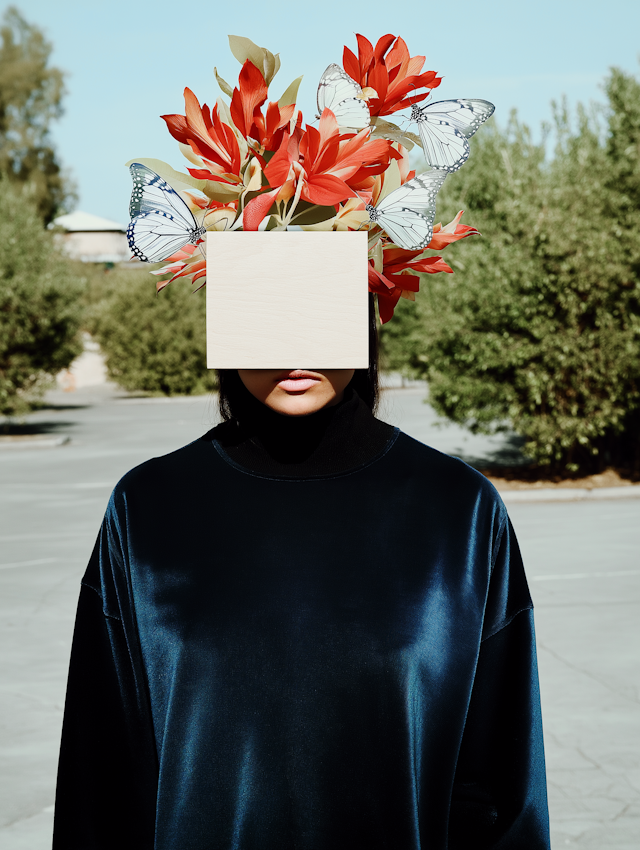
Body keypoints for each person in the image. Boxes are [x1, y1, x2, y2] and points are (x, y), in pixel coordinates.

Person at [53, 301, 550, 849]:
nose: (294, 349)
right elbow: (99, 778)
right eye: (268, 309)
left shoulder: (460, 509)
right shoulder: (147, 507)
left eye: (319, 306)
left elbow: (500, 783)